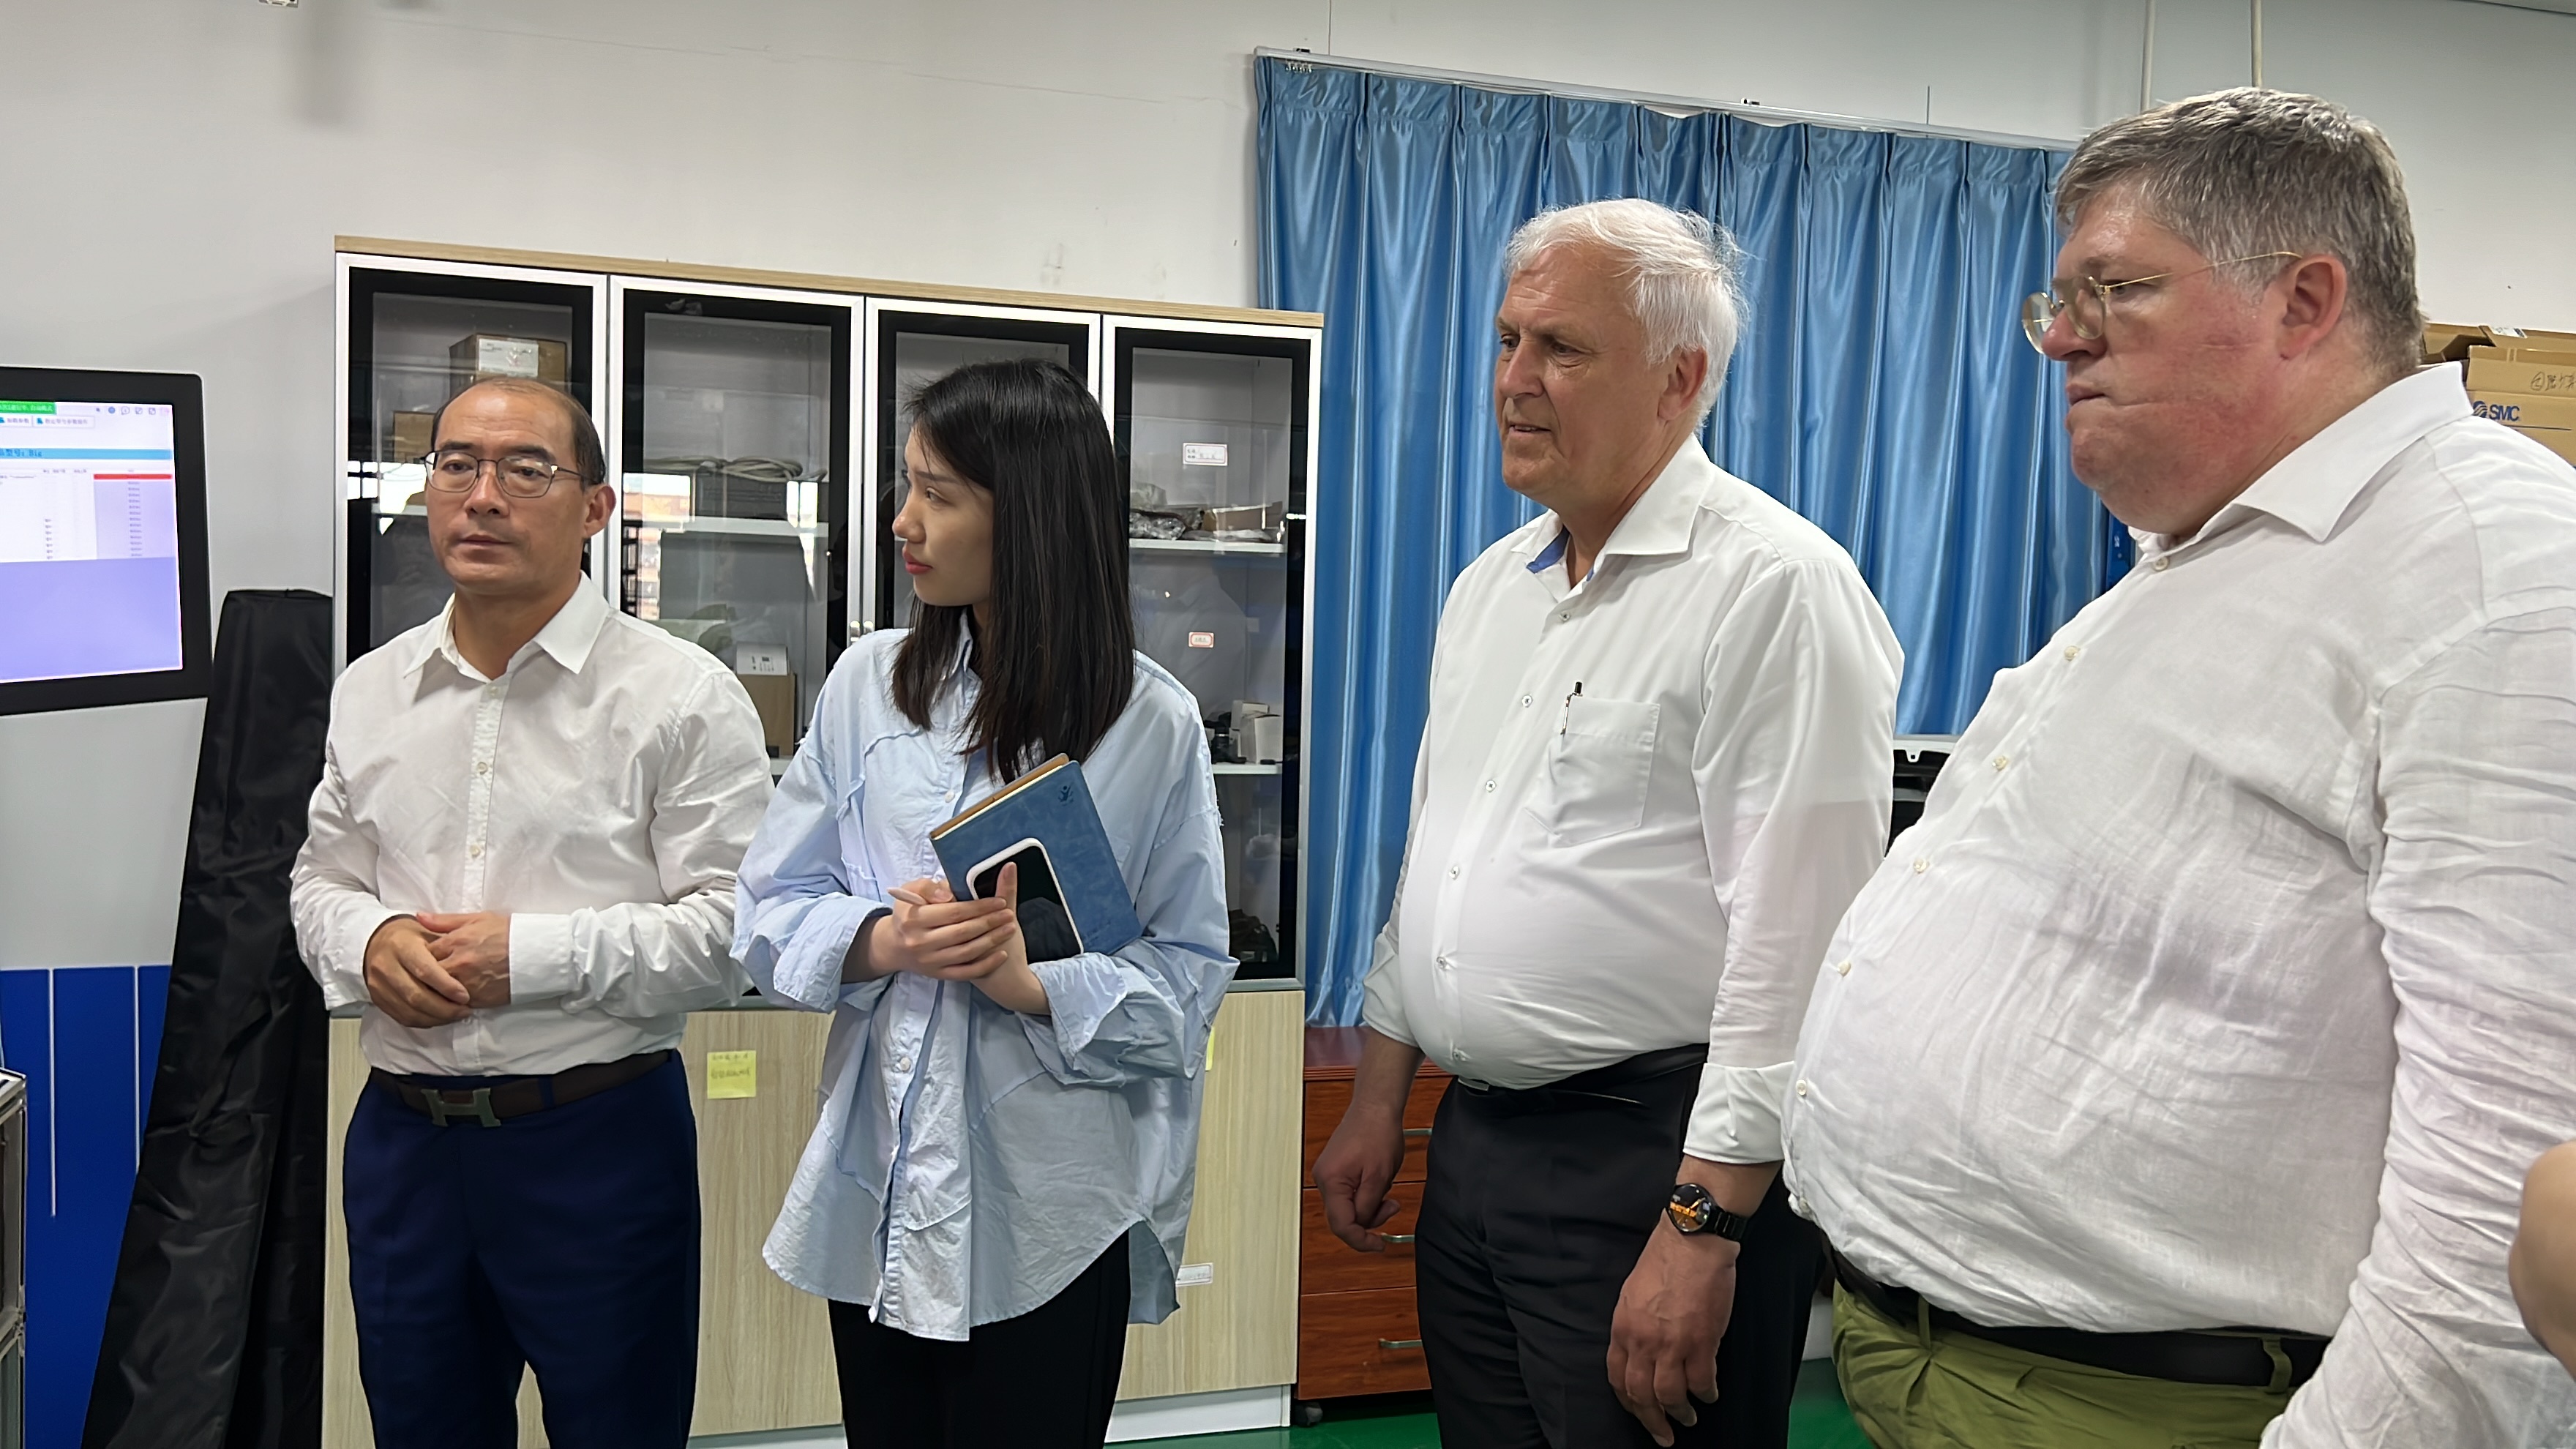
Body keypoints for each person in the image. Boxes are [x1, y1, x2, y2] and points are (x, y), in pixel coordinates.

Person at [1782, 87, 2576, 1448]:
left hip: (2159, 1405)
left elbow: (2512, 1174)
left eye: (2118, 290)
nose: (2061, 337)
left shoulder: (2498, 578)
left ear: (2305, 301)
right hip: (1966, 1368)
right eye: (2061, 298)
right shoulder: (2221, 549)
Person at [1311, 198, 1903, 1449]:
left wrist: (1704, 1229)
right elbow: (1437, 863)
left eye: (1562, 349)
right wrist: (1378, 1099)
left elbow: (1799, 951)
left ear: (1679, 380)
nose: (1513, 380)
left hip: (1655, 1165)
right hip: (1476, 1147)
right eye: (1507, 339)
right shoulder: (1491, 590)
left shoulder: (1776, 589)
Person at [733, 357, 1233, 1449]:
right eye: (907, 487)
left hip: (1052, 1217)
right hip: (883, 1191)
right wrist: (884, 939)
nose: (903, 523)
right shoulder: (869, 686)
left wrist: (1033, 984)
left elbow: (1188, 982)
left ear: (1033, 519)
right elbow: (768, 907)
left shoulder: (1149, 722)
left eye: (939, 495)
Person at [290, 377, 773, 1448]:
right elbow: (320, 881)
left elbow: (735, 933)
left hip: (597, 1143)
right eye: (456, 465)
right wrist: (369, 938)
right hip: (404, 1147)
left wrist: (535, 958)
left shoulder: (681, 696)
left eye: (525, 470)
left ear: (596, 508)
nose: (482, 496)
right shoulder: (371, 690)